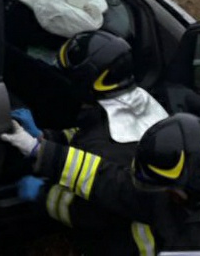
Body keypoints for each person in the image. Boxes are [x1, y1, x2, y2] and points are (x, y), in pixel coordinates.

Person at [1, 113, 200, 255]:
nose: (164, 196)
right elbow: (111, 181)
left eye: (169, 190)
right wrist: (41, 151)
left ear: (197, 183)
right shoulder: (179, 192)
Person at [10, 30, 169, 256]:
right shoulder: (136, 102)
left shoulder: (104, 147)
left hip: (133, 247)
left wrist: (42, 194)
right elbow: (86, 134)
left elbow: (89, 214)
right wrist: (44, 139)